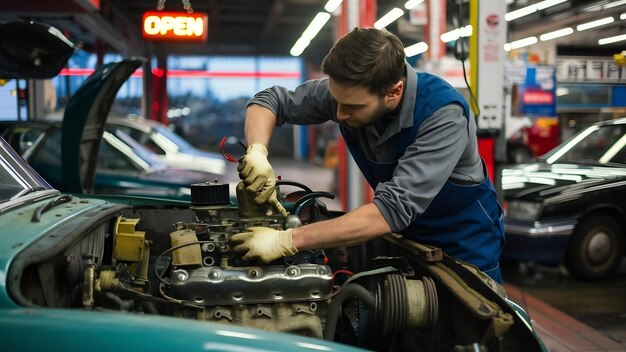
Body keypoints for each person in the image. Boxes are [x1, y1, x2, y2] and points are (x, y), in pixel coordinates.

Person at [230, 27, 504, 283]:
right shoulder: (348, 94)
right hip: (403, 237)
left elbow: (391, 210)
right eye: (336, 101)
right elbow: (269, 101)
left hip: (464, 244)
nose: (338, 114)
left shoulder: (443, 116)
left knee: (474, 327)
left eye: (352, 107)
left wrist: (286, 240)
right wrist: (257, 151)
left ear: (394, 91)